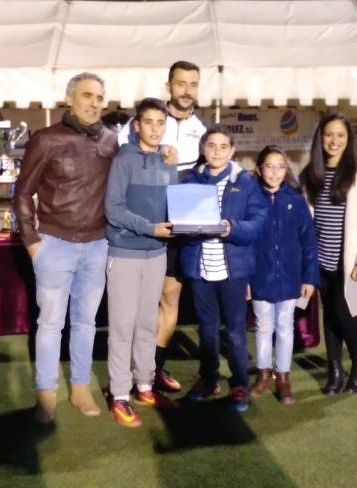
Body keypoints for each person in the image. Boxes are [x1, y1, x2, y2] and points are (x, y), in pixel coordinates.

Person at [14, 73, 118, 423]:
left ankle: (80, 388)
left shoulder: (110, 140)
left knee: (86, 323)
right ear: (70, 99)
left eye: (99, 97)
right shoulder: (46, 139)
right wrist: (32, 241)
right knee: (50, 324)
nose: (94, 103)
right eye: (87, 95)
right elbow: (22, 192)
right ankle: (46, 394)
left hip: (97, 245)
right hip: (54, 245)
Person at [118, 61, 207, 393]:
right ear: (169, 86)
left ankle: (154, 368)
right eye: (181, 83)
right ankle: (131, 369)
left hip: (180, 226)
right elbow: (123, 157)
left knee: (170, 297)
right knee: (142, 301)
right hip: (145, 223)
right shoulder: (147, 121)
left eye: (193, 84)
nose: (187, 90)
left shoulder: (202, 129)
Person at [180, 125, 267, 413]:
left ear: (232, 151)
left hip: (233, 272)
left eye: (223, 146)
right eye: (211, 146)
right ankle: (209, 379)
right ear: (203, 149)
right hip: (201, 269)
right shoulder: (190, 180)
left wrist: (233, 228)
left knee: (235, 333)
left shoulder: (246, 182)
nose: (216, 151)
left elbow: (258, 222)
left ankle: (239, 384)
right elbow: (180, 220)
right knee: (207, 331)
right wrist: (183, 226)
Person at [299, 112, 357, 395]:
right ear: (320, 138)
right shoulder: (311, 173)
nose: (334, 141)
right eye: (328, 135)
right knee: (329, 315)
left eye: (340, 135)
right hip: (319, 258)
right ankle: (334, 370)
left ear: (349, 139)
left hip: (347, 261)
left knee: (345, 313)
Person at [105, 98, 178, 428]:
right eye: (148, 122)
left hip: (157, 253)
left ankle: (145, 386)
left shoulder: (168, 160)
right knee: (122, 326)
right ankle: (120, 395)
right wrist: (150, 228)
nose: (155, 129)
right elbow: (113, 209)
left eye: (160, 123)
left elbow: (175, 207)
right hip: (124, 252)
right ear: (137, 125)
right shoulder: (124, 159)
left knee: (147, 323)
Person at [249, 145, 320, 404]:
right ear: (259, 169)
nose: (275, 172)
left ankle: (283, 376)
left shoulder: (295, 199)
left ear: (286, 169)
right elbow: (244, 242)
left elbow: (309, 241)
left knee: (285, 325)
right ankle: (263, 373)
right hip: (259, 276)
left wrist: (309, 277)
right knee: (262, 326)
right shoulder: (250, 199)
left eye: (280, 166)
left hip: (290, 277)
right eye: (269, 166)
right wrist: (245, 278)